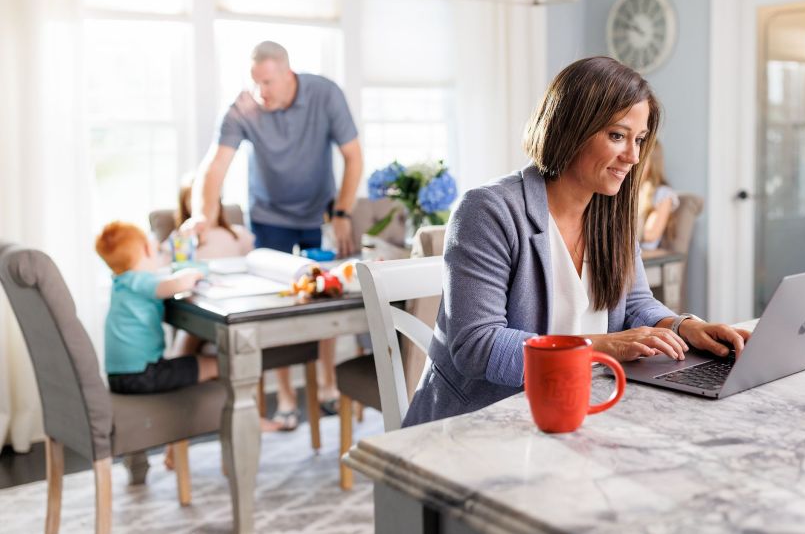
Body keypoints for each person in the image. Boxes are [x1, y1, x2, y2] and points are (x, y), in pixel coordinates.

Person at [404, 56, 750, 427]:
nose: (633, 156)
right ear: (570, 129)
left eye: (640, 140)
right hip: (479, 424)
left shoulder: (610, 212)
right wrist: (601, 348)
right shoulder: (488, 210)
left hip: (579, 410)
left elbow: (633, 305)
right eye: (617, 136)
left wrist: (683, 327)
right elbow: (477, 346)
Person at [185, 40, 363, 431]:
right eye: (255, 83)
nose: (260, 92)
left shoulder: (324, 93)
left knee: (322, 297)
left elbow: (353, 156)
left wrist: (342, 212)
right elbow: (213, 168)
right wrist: (201, 213)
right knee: (279, 306)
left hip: (317, 214)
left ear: (288, 74)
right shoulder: (243, 109)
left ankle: (327, 383)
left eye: (267, 82)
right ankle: (285, 395)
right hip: (269, 218)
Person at [96, 221, 218, 464]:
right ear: (145, 250)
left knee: (187, 362)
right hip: (146, 375)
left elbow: (159, 269)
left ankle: (165, 453)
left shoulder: (122, 282)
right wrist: (194, 273)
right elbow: (177, 285)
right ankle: (240, 425)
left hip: (120, 378)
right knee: (218, 364)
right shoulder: (140, 280)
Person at [638, 140, 680, 250]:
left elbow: (651, 234)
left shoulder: (663, 193)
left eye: (640, 159)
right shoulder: (630, 192)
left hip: (645, 255)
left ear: (653, 163)